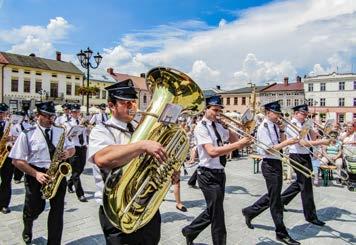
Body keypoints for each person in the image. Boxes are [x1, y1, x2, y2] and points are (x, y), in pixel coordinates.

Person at [87, 79, 166, 245]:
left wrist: (166, 167)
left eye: (133, 102)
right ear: (111, 105)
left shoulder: (140, 126)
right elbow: (102, 158)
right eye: (125, 103)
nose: (132, 107)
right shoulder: (102, 130)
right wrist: (142, 145)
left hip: (146, 204)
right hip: (117, 207)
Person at [182, 95, 252, 245]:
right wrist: (239, 144)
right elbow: (212, 152)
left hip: (220, 173)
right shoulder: (201, 127)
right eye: (215, 110)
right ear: (206, 109)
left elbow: (233, 141)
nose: (217, 113)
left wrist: (228, 128)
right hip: (207, 174)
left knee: (214, 210)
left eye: (219, 110)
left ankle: (190, 231)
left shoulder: (219, 125)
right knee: (218, 216)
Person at [9, 101, 75, 244]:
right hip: (36, 174)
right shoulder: (27, 134)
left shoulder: (60, 130)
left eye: (53, 116)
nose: (51, 119)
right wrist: (36, 174)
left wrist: (67, 153)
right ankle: (28, 228)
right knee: (33, 208)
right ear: (38, 115)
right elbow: (16, 161)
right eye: (47, 116)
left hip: (57, 173)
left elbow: (72, 148)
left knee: (57, 212)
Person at [241, 101, 300, 245]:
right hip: (269, 164)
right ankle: (281, 233)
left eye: (279, 114)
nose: (278, 116)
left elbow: (279, 143)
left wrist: (282, 131)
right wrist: (287, 143)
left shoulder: (274, 125)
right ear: (268, 113)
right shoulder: (263, 127)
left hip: (276, 162)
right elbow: (268, 149)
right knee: (276, 201)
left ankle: (250, 211)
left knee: (274, 195)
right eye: (276, 113)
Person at [281, 104, 330, 226]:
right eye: (303, 114)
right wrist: (322, 141)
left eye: (306, 114)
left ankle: (280, 201)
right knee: (306, 186)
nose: (305, 116)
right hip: (297, 155)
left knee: (300, 183)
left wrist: (313, 128)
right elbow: (302, 143)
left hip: (305, 155)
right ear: (296, 113)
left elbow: (313, 137)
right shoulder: (292, 124)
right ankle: (310, 216)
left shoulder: (304, 124)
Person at [65, 103, 89, 202]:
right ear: (71, 113)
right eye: (74, 112)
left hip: (83, 147)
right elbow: (67, 135)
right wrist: (78, 127)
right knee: (75, 171)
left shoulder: (82, 121)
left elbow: (87, 133)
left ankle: (69, 183)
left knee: (80, 169)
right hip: (73, 147)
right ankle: (80, 194)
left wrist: (87, 127)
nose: (76, 113)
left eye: (78, 111)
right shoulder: (67, 123)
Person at [11, 111, 32, 184]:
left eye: (22, 116)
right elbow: (12, 136)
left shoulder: (28, 125)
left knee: (26, 162)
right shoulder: (14, 126)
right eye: (19, 116)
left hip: (26, 145)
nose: (21, 118)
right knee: (18, 161)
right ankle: (17, 177)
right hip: (16, 145)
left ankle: (28, 175)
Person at [0, 103, 13, 214]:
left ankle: (4, 204)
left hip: (6, 156)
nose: (1, 115)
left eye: (2, 113)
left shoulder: (10, 125)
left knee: (6, 180)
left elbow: (15, 140)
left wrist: (11, 138)